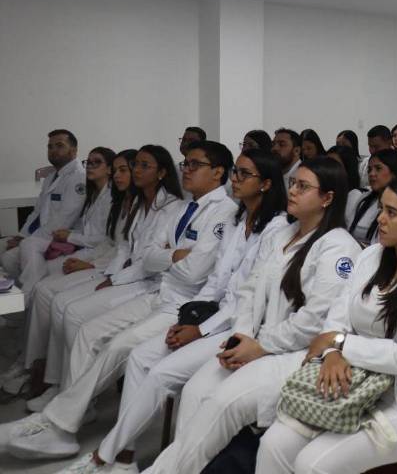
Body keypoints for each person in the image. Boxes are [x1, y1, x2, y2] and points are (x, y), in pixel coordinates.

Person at [55, 149, 289, 474]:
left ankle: (105, 458)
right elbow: (216, 285)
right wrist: (190, 318)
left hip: (240, 326)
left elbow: (245, 299)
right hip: (213, 314)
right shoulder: (239, 222)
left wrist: (201, 330)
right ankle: (123, 459)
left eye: (243, 174)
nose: (235, 180)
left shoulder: (275, 230)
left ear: (265, 184)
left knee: (166, 376)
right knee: (139, 358)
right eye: (236, 172)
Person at [1, 141, 237, 460]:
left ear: (218, 172)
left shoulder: (224, 212)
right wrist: (173, 255)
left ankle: (60, 426)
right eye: (186, 163)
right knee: (91, 330)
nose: (187, 170)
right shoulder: (185, 207)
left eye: (195, 164)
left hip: (183, 303)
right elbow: (149, 255)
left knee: (116, 347)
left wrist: (165, 256)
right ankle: (62, 416)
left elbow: (194, 272)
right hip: (161, 290)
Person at [140, 157, 361, 474]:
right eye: (293, 183)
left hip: (293, 355)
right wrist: (241, 335)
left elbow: (314, 320)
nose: (293, 191)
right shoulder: (282, 235)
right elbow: (248, 290)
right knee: (194, 392)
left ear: (327, 198)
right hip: (254, 342)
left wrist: (261, 346)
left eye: (303, 186)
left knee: (220, 405)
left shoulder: (338, 249)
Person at [258, 174, 397, 474]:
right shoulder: (372, 256)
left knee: (313, 464)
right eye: (381, 209)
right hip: (356, 380)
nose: (380, 220)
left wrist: (341, 344)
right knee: (273, 444)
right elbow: (338, 318)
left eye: (392, 213)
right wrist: (334, 354)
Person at [34, 147, 183, 396]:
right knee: (65, 306)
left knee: (73, 313)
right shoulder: (139, 201)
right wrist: (112, 276)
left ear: (162, 172)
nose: (136, 170)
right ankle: (61, 385)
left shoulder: (172, 207)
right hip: (125, 275)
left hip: (149, 283)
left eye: (143, 166)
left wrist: (116, 278)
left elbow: (150, 261)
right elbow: (126, 246)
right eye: (135, 165)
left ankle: (73, 393)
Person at [3, 149, 134, 399]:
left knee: (51, 295)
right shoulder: (112, 197)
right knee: (39, 282)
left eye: (124, 169)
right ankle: (32, 363)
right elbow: (113, 243)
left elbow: (121, 248)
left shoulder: (125, 201)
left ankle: (42, 372)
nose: (119, 175)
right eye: (117, 170)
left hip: (107, 265)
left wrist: (90, 263)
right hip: (100, 258)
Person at [17, 147, 115, 306]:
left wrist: (70, 236)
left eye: (97, 163)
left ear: (110, 169)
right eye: (88, 162)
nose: (90, 166)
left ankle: (24, 301)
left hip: (94, 252)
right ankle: (24, 300)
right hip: (80, 244)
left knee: (41, 273)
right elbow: (87, 228)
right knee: (28, 244)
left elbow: (106, 239)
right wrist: (69, 234)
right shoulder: (94, 193)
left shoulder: (111, 198)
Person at [0, 130, 86, 286]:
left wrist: (27, 239)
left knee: (26, 248)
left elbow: (64, 220)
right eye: (50, 146)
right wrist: (22, 235)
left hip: (63, 238)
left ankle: (30, 292)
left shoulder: (78, 178)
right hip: (43, 235)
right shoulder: (52, 177)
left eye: (59, 145)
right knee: (7, 257)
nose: (53, 150)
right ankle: (21, 296)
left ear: (73, 150)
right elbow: (36, 212)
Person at [347, 150, 397, 246]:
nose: (371, 174)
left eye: (378, 168)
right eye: (369, 170)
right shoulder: (364, 199)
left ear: (394, 172)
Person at [325, 144, 365, 224]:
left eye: (334, 165)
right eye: (326, 164)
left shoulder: (354, 196)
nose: (328, 169)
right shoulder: (323, 192)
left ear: (348, 169)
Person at [273, 128, 302, 193]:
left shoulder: (305, 175)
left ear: (296, 151)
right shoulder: (272, 173)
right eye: (273, 144)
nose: (275, 148)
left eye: (282, 144)